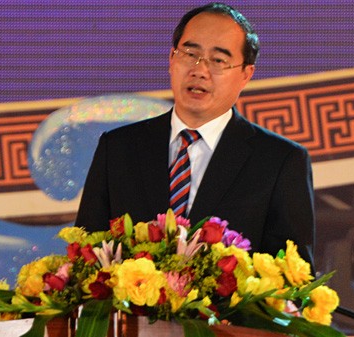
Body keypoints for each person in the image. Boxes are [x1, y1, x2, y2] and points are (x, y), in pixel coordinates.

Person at [75, 2, 314, 262]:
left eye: (218, 60)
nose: (199, 70)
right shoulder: (118, 148)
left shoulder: (279, 161)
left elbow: (294, 280)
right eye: (190, 54)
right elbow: (84, 255)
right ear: (171, 59)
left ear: (246, 75)